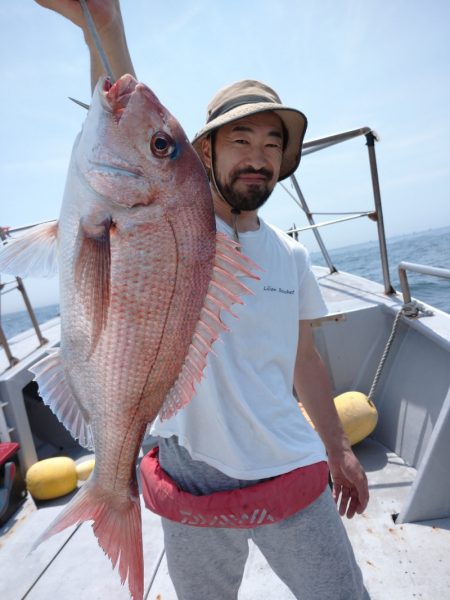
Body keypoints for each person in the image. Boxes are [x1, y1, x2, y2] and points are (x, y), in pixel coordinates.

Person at [36, 2, 370, 599]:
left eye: (273, 143)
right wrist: (107, 28)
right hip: (190, 478)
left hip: (291, 471)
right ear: (207, 152)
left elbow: (306, 361)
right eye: (239, 138)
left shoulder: (291, 256)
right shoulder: (178, 233)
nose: (258, 155)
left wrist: (338, 449)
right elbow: (128, 120)